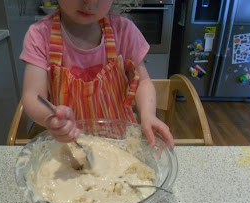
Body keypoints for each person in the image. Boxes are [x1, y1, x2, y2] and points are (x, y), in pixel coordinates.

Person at [20, 0, 174, 148]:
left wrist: (148, 115)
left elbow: (143, 82)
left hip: (119, 142)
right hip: (70, 145)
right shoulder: (40, 36)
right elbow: (33, 96)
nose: (91, 1)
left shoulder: (123, 31)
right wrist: (51, 117)